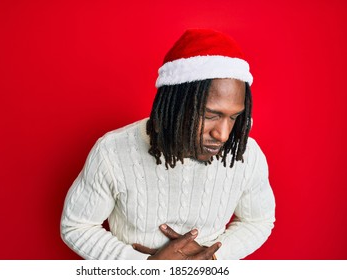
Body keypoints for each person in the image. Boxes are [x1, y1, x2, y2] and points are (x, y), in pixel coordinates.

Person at [60, 29, 276, 260]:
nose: (222, 135)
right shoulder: (113, 150)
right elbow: (77, 226)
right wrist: (149, 266)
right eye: (210, 115)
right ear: (176, 106)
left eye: (233, 117)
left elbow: (257, 220)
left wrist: (210, 258)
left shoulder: (245, 155)